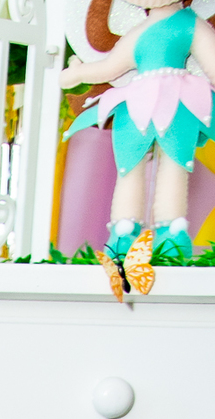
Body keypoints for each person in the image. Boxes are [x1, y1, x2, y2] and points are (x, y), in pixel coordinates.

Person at [61, 0, 215, 259]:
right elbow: (109, 67)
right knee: (129, 164)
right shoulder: (138, 32)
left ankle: (171, 231)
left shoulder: (190, 24)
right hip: (137, 103)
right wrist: (78, 74)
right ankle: (124, 231)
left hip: (178, 102)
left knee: (175, 162)